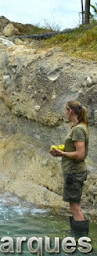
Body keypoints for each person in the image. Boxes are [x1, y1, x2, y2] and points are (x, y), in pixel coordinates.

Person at [50, 100, 89, 235]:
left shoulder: (78, 129)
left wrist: (62, 153)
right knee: (74, 206)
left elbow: (80, 154)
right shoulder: (78, 127)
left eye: (66, 110)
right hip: (73, 172)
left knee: (75, 207)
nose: (65, 113)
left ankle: (82, 239)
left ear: (70, 111)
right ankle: (78, 236)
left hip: (74, 173)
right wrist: (62, 150)